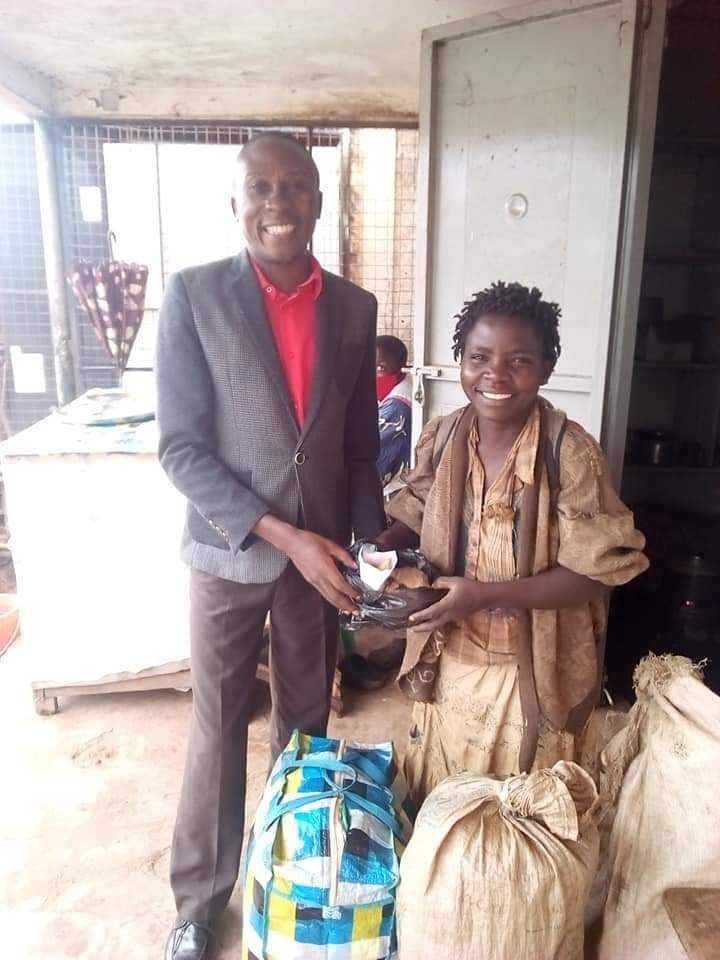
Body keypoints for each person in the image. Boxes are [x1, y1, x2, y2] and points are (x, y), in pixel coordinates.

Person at [156, 132, 385, 960]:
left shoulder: (354, 308)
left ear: (318, 201)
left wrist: (370, 544)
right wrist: (287, 537)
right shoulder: (194, 296)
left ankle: (286, 873)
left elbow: (359, 447)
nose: (278, 203)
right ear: (236, 203)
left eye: (294, 187)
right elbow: (181, 450)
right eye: (260, 188)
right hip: (231, 555)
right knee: (218, 724)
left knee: (306, 722)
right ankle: (199, 902)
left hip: (321, 560)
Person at [376, 281, 648, 806]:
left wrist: (483, 595)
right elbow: (416, 507)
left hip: (530, 672)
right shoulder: (445, 435)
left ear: (547, 368)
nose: (495, 375)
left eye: (519, 361)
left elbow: (595, 573)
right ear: (461, 361)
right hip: (450, 660)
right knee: (446, 800)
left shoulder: (570, 453)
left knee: (517, 808)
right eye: (479, 358)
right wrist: (378, 552)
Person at [375, 334, 412, 488]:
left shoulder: (397, 406)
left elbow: (370, 451)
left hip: (394, 492)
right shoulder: (401, 384)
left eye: (380, 368)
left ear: (400, 368)